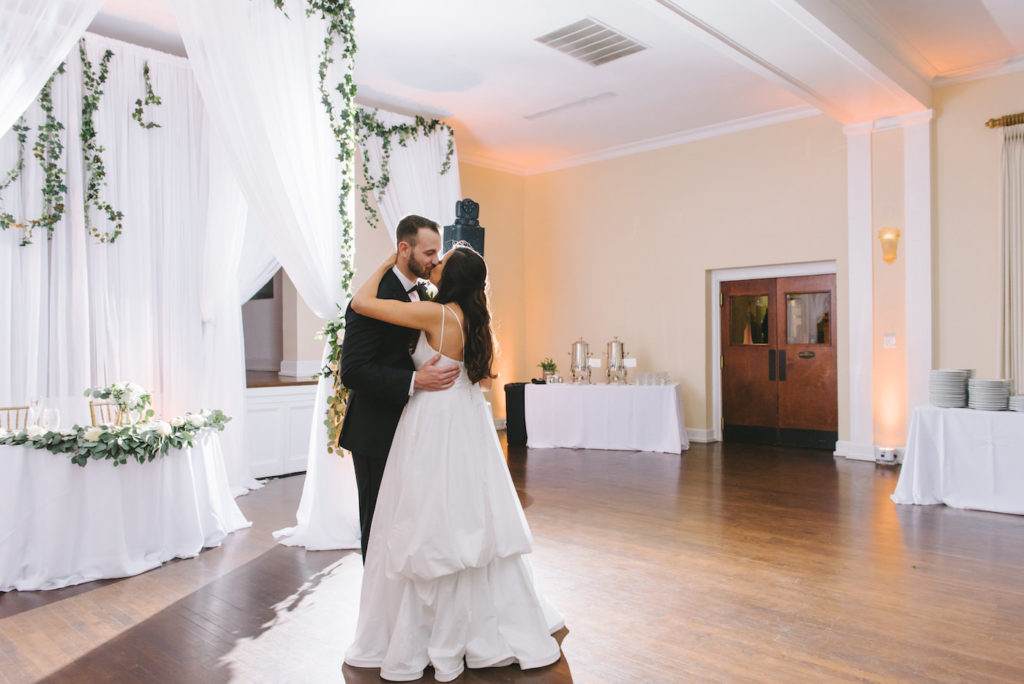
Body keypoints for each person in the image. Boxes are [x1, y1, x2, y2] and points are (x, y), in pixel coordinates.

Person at [343, 244, 563, 681]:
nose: (433, 264)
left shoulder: (436, 315)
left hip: (435, 421)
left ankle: (434, 631)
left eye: (440, 261)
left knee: (432, 514)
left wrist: (390, 261)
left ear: (453, 276)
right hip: (469, 422)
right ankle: (484, 621)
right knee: (468, 512)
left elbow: (361, 303)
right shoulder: (476, 320)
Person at [339, 215, 461, 559]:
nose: (436, 260)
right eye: (429, 252)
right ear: (403, 249)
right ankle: (377, 606)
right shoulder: (372, 297)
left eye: (437, 252)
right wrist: (414, 380)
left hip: (415, 427)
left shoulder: (423, 292)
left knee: (408, 521)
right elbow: (353, 371)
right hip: (375, 429)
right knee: (378, 522)